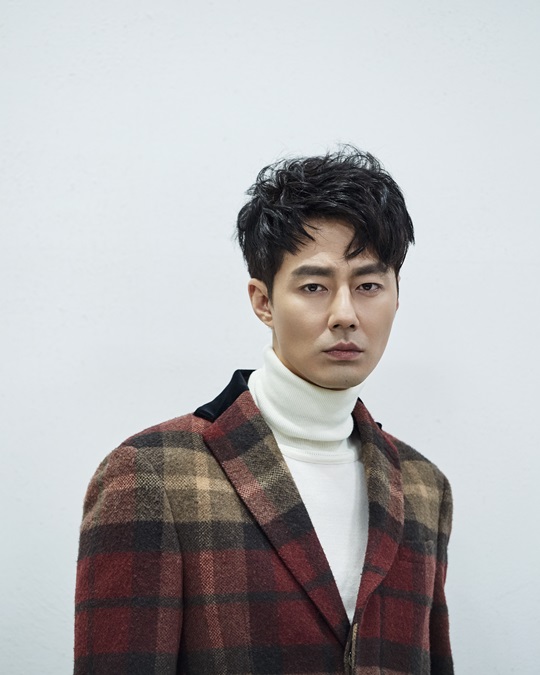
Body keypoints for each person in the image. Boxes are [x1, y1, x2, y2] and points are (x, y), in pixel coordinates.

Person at [74, 147, 453, 674]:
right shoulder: (151, 473)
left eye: (368, 286)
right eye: (314, 287)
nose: (345, 314)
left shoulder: (423, 487)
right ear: (263, 301)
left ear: (396, 294)